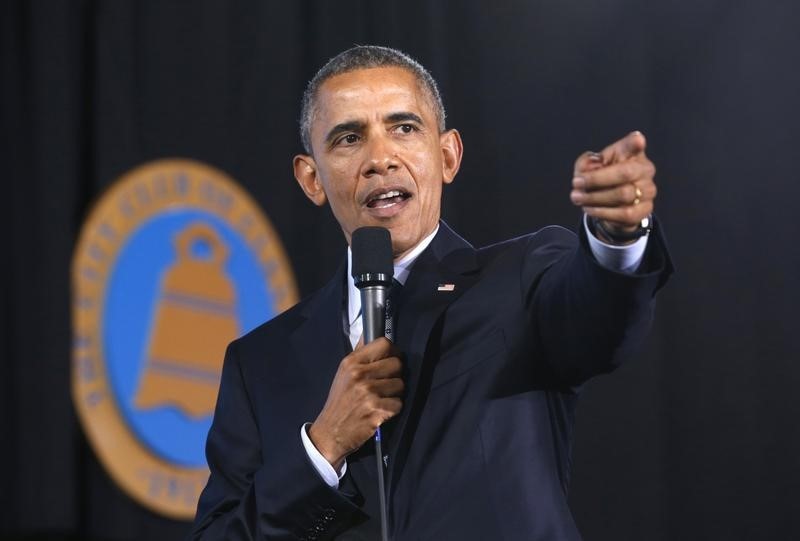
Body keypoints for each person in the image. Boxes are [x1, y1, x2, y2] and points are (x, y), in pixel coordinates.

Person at [191, 45, 672, 540]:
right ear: (311, 178)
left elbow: (601, 321)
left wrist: (617, 236)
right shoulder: (261, 364)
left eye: (404, 128)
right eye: (349, 137)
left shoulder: (521, 280)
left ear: (447, 156)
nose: (380, 159)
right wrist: (323, 446)